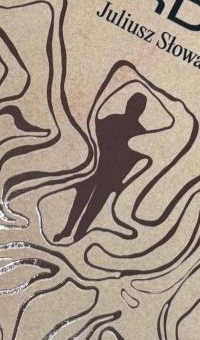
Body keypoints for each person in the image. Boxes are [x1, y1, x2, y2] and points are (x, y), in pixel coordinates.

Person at [53, 91, 148, 243]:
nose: (132, 108)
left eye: (136, 106)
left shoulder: (139, 132)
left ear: (140, 110)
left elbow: (138, 159)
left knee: (93, 206)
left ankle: (77, 235)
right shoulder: (117, 121)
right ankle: (68, 230)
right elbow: (94, 131)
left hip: (111, 176)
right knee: (82, 200)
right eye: (132, 104)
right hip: (97, 169)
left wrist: (123, 182)